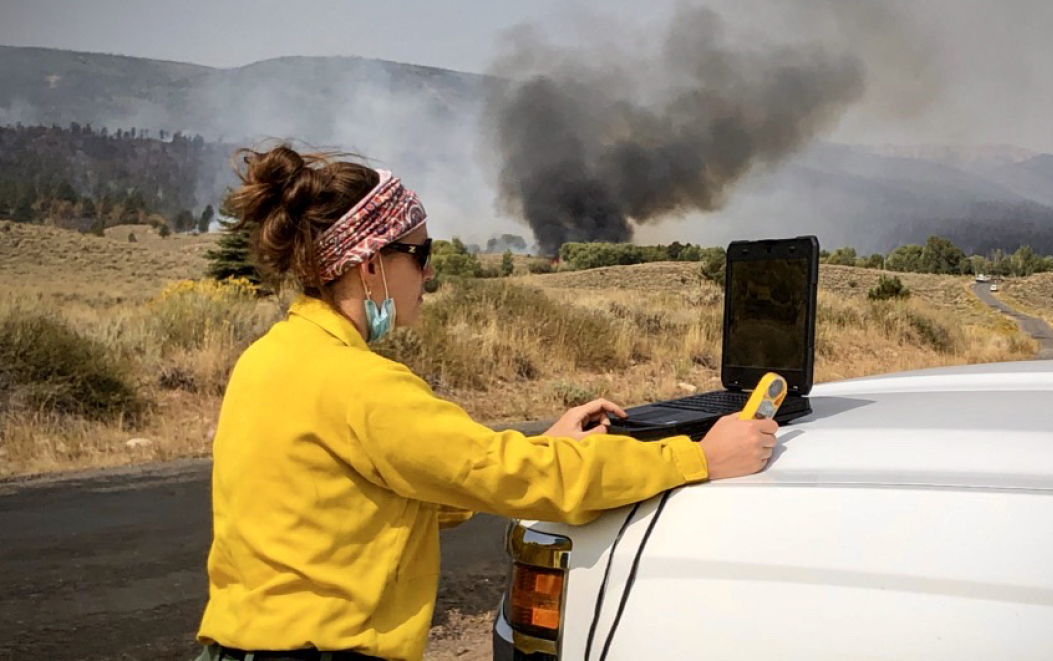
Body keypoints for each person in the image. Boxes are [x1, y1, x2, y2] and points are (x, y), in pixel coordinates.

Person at [195, 144, 778, 661]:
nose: (427, 275)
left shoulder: (269, 359)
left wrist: (540, 446)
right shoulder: (361, 385)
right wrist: (700, 458)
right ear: (371, 263)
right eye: (420, 255)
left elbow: (427, 483)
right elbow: (520, 481)